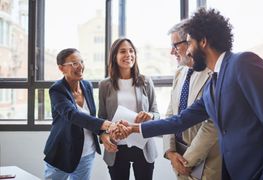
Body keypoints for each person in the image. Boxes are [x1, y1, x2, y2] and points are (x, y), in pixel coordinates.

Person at [115, 8, 263, 180]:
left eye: (189, 42)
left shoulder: (243, 63)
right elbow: (180, 120)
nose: (187, 50)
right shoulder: (213, 83)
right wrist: (135, 128)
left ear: (203, 41)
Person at [43, 48, 120, 180]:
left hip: (86, 154)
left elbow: (89, 118)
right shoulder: (57, 90)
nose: (80, 66)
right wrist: (107, 125)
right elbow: (72, 115)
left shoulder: (87, 85)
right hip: (62, 153)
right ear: (61, 68)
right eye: (74, 63)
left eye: (81, 62)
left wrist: (103, 134)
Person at [163, 20, 221, 180]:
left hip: (205, 162)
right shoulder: (179, 73)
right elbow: (170, 114)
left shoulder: (213, 73)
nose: (172, 51)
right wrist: (170, 152)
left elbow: (212, 125)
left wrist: (186, 161)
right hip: (178, 158)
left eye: (175, 45)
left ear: (190, 42)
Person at [98, 38, 159, 180]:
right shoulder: (105, 85)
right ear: (114, 56)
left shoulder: (145, 81)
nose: (128, 54)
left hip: (143, 146)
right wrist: (104, 136)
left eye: (131, 51)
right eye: (123, 51)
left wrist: (150, 115)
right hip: (116, 147)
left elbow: (157, 114)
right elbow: (101, 117)